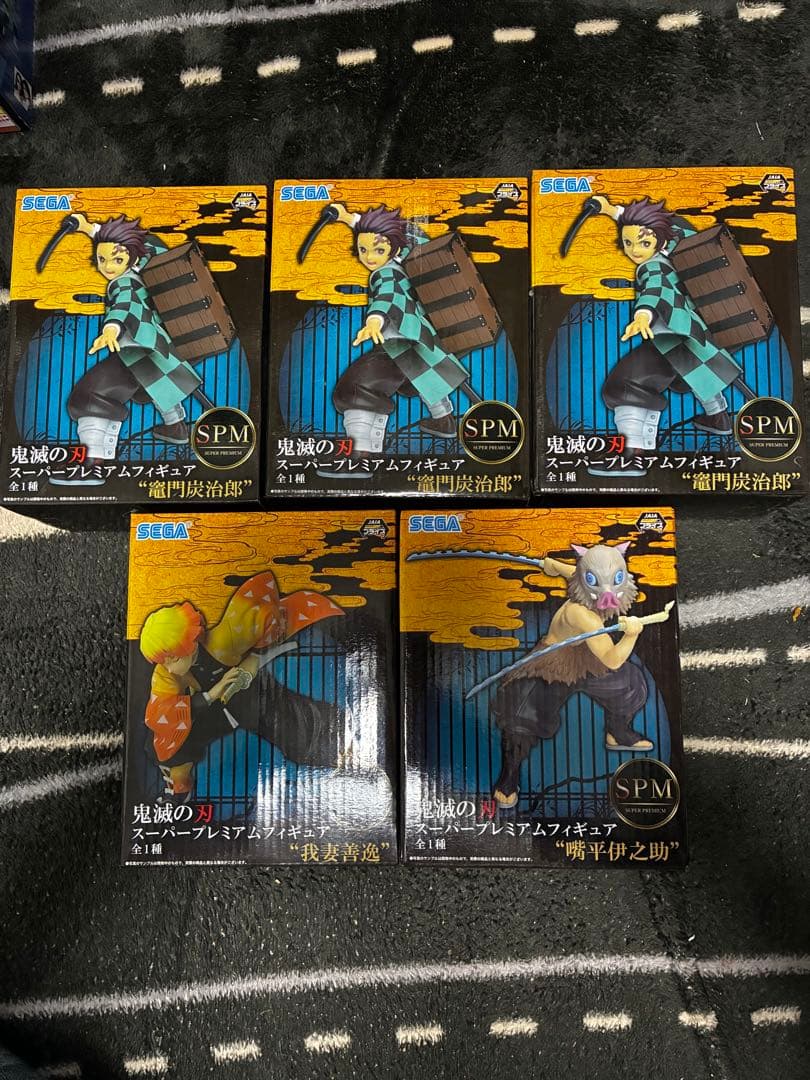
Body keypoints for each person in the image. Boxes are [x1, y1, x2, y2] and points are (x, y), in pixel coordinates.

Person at [139, 571, 346, 801]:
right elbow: (162, 712)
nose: (168, 668)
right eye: (163, 661)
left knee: (293, 726)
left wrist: (254, 659)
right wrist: (211, 695)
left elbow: (265, 620)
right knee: (162, 741)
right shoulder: (165, 674)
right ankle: (180, 789)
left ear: (190, 643)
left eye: (173, 659)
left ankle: (339, 742)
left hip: (251, 694)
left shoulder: (225, 638)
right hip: (216, 710)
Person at [589, 195, 742, 476]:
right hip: (695, 335)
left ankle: (633, 454)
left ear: (658, 242)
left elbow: (654, 289)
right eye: (628, 242)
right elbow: (657, 225)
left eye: (644, 244)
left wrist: (642, 315)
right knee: (695, 373)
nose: (635, 250)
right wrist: (612, 210)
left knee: (625, 384)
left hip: (671, 337)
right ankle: (719, 418)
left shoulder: (653, 266)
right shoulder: (679, 245)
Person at [318, 203, 470, 474]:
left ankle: (359, 456)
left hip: (398, 343)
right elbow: (395, 233)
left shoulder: (386, 273)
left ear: (393, 249)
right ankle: (444, 420)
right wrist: (349, 218)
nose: (369, 257)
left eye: (378, 250)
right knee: (422, 377)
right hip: (421, 342)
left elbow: (388, 296)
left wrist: (374, 320)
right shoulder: (410, 256)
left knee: (355, 388)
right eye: (363, 249)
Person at [51, 213, 201, 486]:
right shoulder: (147, 263)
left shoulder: (124, 282)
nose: (108, 267)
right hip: (158, 350)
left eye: (117, 260)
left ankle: (93, 463)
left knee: (90, 395)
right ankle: (176, 426)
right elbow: (140, 244)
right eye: (102, 259)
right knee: (155, 384)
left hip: (135, 351)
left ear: (130, 259)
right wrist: (89, 228)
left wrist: (111, 329)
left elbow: (124, 305)